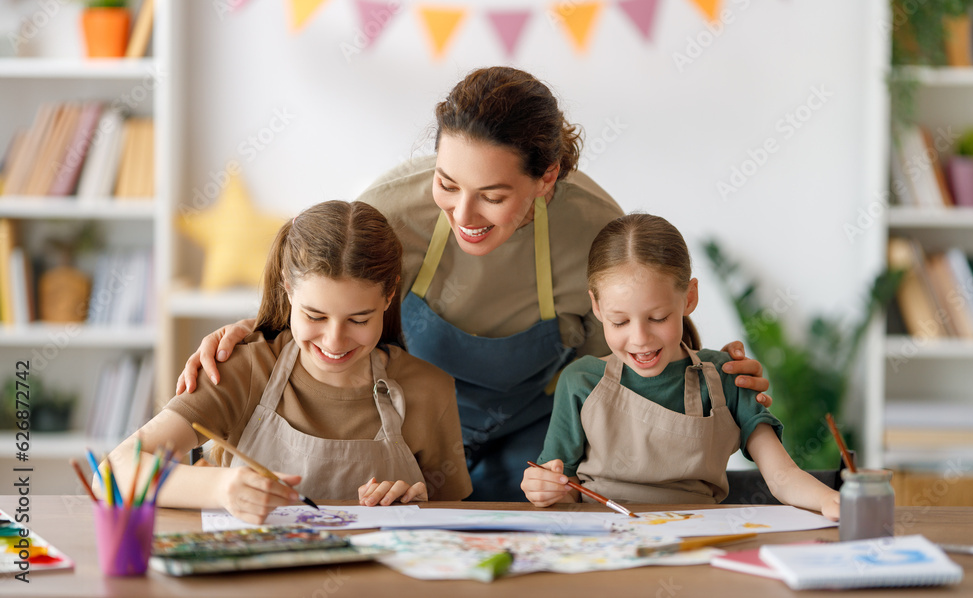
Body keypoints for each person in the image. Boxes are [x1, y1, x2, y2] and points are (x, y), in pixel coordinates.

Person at [174, 67, 772, 501]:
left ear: (547, 178)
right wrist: (257, 331)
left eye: (492, 195)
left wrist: (712, 374)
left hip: (535, 436)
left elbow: (635, 344)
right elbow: (325, 295)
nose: (463, 214)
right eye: (446, 183)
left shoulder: (593, 226)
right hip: (407, 428)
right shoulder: (387, 209)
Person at [104, 201, 471, 524]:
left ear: (390, 295)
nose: (334, 341)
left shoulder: (429, 389)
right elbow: (114, 472)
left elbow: (453, 521)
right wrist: (221, 488)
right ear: (287, 288)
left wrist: (416, 506)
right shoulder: (242, 370)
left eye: (359, 320)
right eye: (314, 316)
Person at [521, 214, 840, 519]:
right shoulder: (580, 382)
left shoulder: (727, 377)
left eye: (658, 318)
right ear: (597, 307)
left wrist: (830, 500)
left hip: (695, 544)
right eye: (620, 321)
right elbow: (564, 492)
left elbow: (783, 476)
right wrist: (545, 489)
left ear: (689, 297)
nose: (640, 338)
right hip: (603, 544)